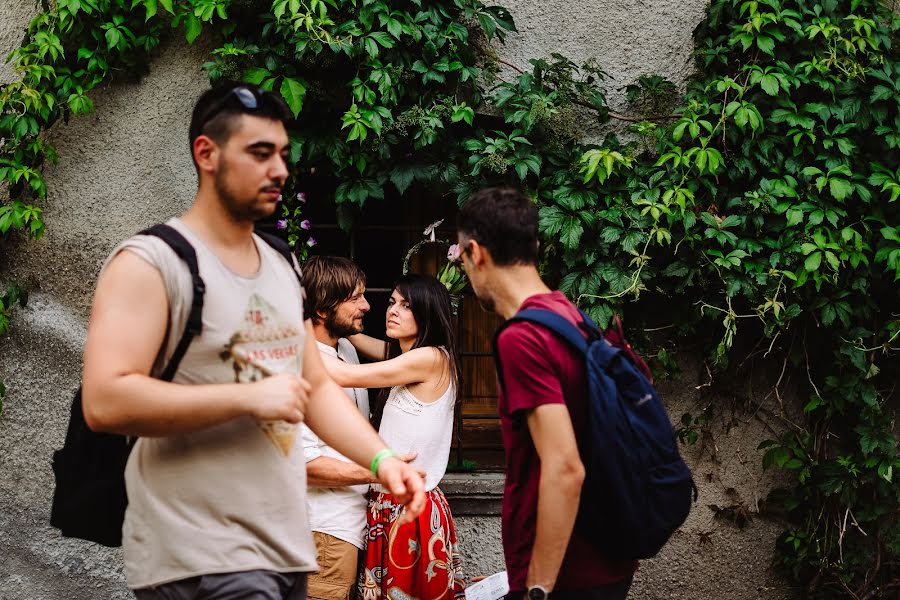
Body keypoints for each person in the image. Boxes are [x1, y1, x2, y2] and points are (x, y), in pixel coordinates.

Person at [80, 82, 425, 600]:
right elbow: (105, 399)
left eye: (283, 155)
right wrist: (248, 396)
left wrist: (382, 460)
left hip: (283, 546)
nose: (280, 171)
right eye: (260, 153)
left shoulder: (283, 266)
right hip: (197, 547)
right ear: (207, 154)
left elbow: (314, 388)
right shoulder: (152, 263)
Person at [455, 187, 638, 600]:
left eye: (462, 259)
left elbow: (564, 467)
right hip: (605, 555)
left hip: (566, 573)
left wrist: (537, 588)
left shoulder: (523, 337)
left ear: (476, 253)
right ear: (534, 245)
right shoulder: (569, 315)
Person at [321, 274, 465, 600]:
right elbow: (357, 338)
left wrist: (290, 336)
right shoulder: (401, 356)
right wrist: (334, 317)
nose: (392, 311)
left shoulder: (431, 358)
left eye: (407, 305)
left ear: (428, 313)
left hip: (411, 508)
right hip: (387, 503)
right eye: (391, 302)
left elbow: (344, 374)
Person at [299, 255, 375, 600]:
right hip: (323, 532)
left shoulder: (344, 348)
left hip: (350, 528)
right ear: (323, 309)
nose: (367, 305)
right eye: (355, 298)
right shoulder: (300, 367)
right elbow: (304, 467)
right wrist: (381, 471)